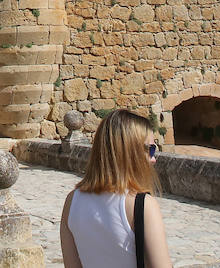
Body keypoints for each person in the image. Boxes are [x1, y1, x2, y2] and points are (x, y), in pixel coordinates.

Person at [60, 109, 173, 268]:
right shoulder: (142, 205)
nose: (153, 159)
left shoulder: (71, 202)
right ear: (130, 152)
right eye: (151, 149)